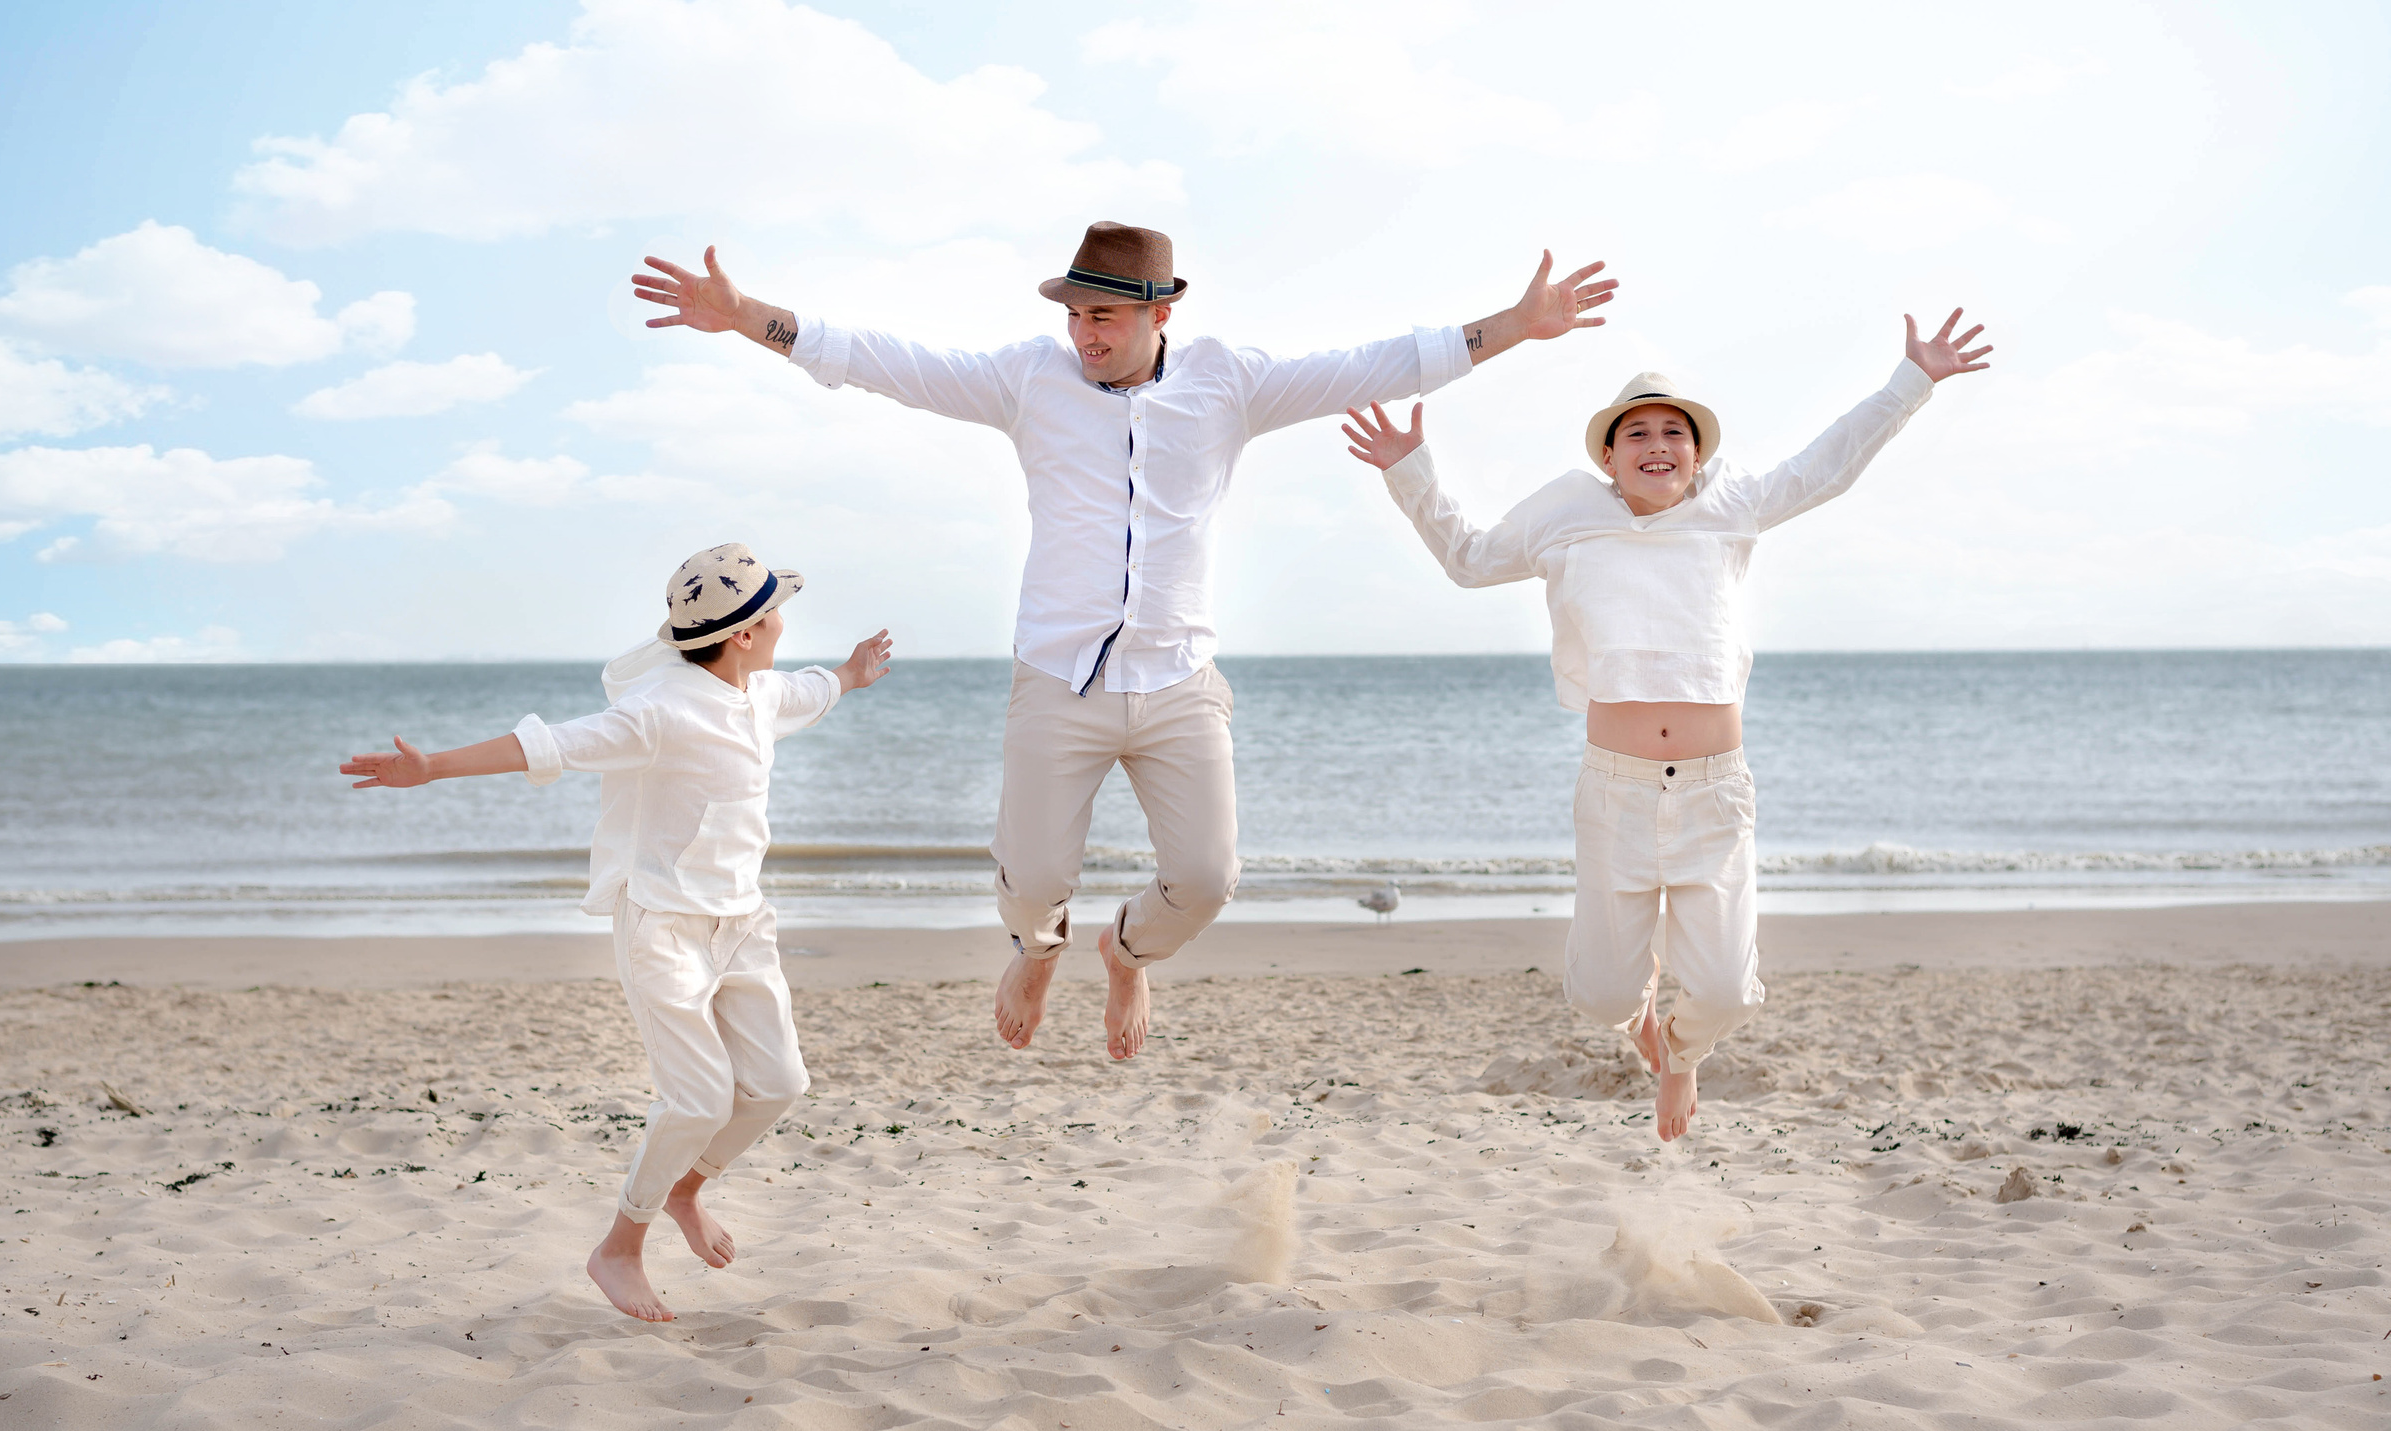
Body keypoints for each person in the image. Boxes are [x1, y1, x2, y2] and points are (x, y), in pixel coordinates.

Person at [628, 223, 1616, 1061]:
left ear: (1158, 313)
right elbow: (890, 363)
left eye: (1101, 315)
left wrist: (1516, 329)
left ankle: (1126, 958)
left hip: (1180, 679)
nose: (1081, 332)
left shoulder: (1227, 383)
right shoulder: (1029, 380)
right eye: (1072, 313)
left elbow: (1379, 361)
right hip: (1056, 679)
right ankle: (1041, 946)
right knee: (1032, 885)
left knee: (1206, 879)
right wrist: (751, 315)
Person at [1342, 310, 1993, 1140]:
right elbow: (1469, 561)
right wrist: (1412, 472)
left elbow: (1829, 465)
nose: (1658, 445)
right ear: (1609, 455)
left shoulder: (1733, 506)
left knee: (1725, 992)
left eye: (1675, 432)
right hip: (1614, 794)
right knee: (1604, 997)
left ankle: (1681, 1056)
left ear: (1698, 451)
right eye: (1637, 432)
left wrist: (1914, 380)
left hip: (1715, 797)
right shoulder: (1568, 513)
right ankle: (1643, 1022)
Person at [335, 543, 893, 1322]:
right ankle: (618, 1249)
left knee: (778, 1085)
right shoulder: (659, 709)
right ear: (743, 634)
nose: (781, 623)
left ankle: (686, 1192)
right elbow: (553, 745)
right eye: (774, 612)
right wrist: (432, 768)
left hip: (742, 922)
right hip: (662, 925)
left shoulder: (759, 692)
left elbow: (811, 689)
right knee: (697, 1099)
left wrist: (853, 672)